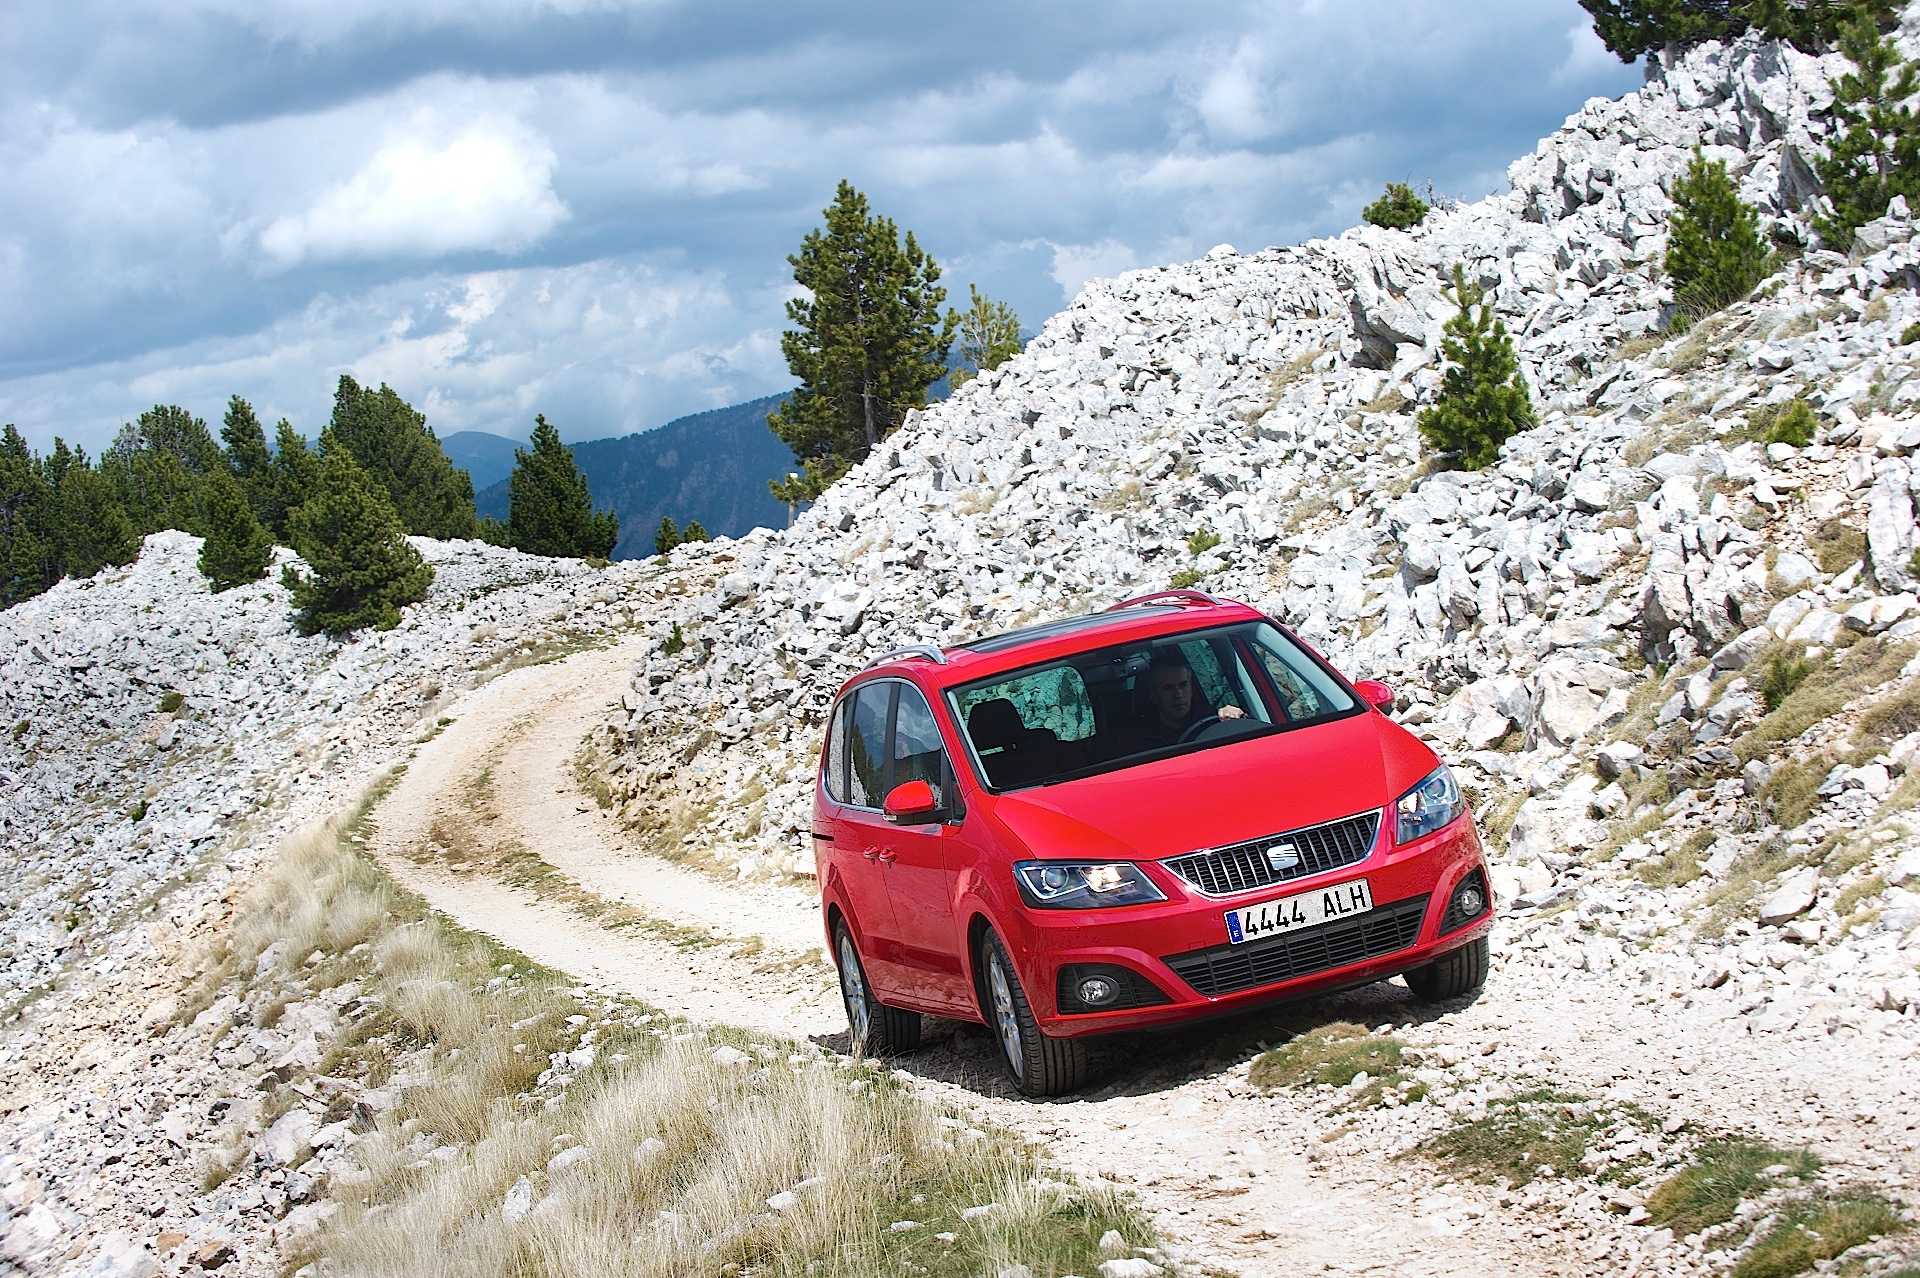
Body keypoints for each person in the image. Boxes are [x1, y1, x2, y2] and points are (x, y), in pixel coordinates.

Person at [1114, 649, 1244, 754]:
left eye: (1183, 685)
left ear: (1191, 690)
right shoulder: (1137, 741)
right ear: (1154, 697)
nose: (1178, 695)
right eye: (1168, 688)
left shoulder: (1213, 723)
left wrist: (1237, 717)